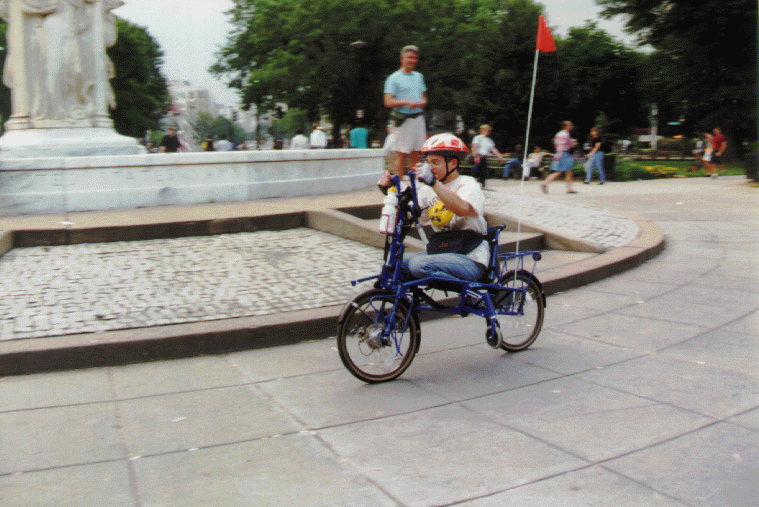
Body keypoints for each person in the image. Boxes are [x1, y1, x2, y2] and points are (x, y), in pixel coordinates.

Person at [399, 132, 489, 283]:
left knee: (418, 265)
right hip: (443, 252)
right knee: (395, 263)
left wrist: (434, 184)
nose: (430, 167)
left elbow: (462, 209)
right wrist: (391, 193)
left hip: (471, 257)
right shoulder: (427, 189)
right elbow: (411, 215)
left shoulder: (468, 184)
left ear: (453, 164)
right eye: (428, 163)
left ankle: (470, 293)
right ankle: (408, 306)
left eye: (435, 162)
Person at [384, 45, 428, 176]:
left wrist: (422, 103)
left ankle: (414, 186)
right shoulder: (393, 78)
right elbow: (388, 101)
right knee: (401, 154)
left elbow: (424, 98)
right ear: (402, 59)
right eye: (410, 57)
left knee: (417, 153)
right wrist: (406, 102)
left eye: (415, 58)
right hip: (403, 120)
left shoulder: (419, 76)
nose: (413, 60)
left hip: (418, 118)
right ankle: (399, 187)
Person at [541, 121, 577, 194]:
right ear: (565, 126)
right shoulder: (566, 134)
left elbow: (556, 144)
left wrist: (557, 155)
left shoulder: (558, 134)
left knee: (558, 172)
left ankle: (545, 183)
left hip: (558, 153)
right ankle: (569, 188)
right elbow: (568, 145)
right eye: (569, 125)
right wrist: (573, 143)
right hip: (564, 154)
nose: (571, 126)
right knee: (568, 171)